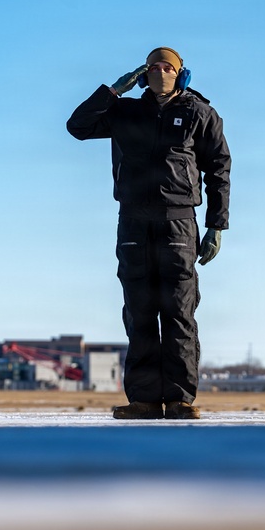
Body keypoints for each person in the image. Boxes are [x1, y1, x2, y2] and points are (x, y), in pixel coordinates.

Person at [67, 47, 231, 420]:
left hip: (178, 221)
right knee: (140, 312)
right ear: (142, 75)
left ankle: (179, 400)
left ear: (181, 74)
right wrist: (112, 92)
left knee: (178, 312)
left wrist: (216, 225)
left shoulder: (197, 113)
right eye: (154, 67)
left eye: (167, 68)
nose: (161, 73)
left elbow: (219, 168)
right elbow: (77, 127)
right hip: (133, 222)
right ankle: (143, 400)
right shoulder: (124, 112)